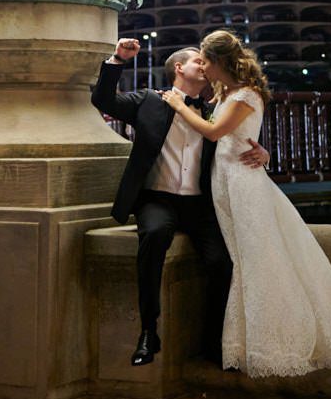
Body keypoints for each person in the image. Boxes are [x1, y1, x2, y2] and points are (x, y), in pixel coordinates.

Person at [162, 30, 331, 378]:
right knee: (241, 256)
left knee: (256, 257)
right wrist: (263, 152)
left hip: (242, 183)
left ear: (219, 62)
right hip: (224, 180)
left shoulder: (245, 94)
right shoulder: (226, 92)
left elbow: (215, 132)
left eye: (205, 60)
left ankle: (276, 342)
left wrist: (175, 104)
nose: (202, 66)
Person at [91, 37, 269, 366]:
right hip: (156, 199)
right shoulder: (148, 101)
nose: (204, 66)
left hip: (200, 205)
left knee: (221, 263)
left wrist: (263, 151)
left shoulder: (214, 112)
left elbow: (243, 139)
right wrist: (118, 59)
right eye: (197, 61)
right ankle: (148, 332)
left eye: (206, 62)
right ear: (179, 68)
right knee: (155, 235)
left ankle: (216, 344)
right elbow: (103, 100)